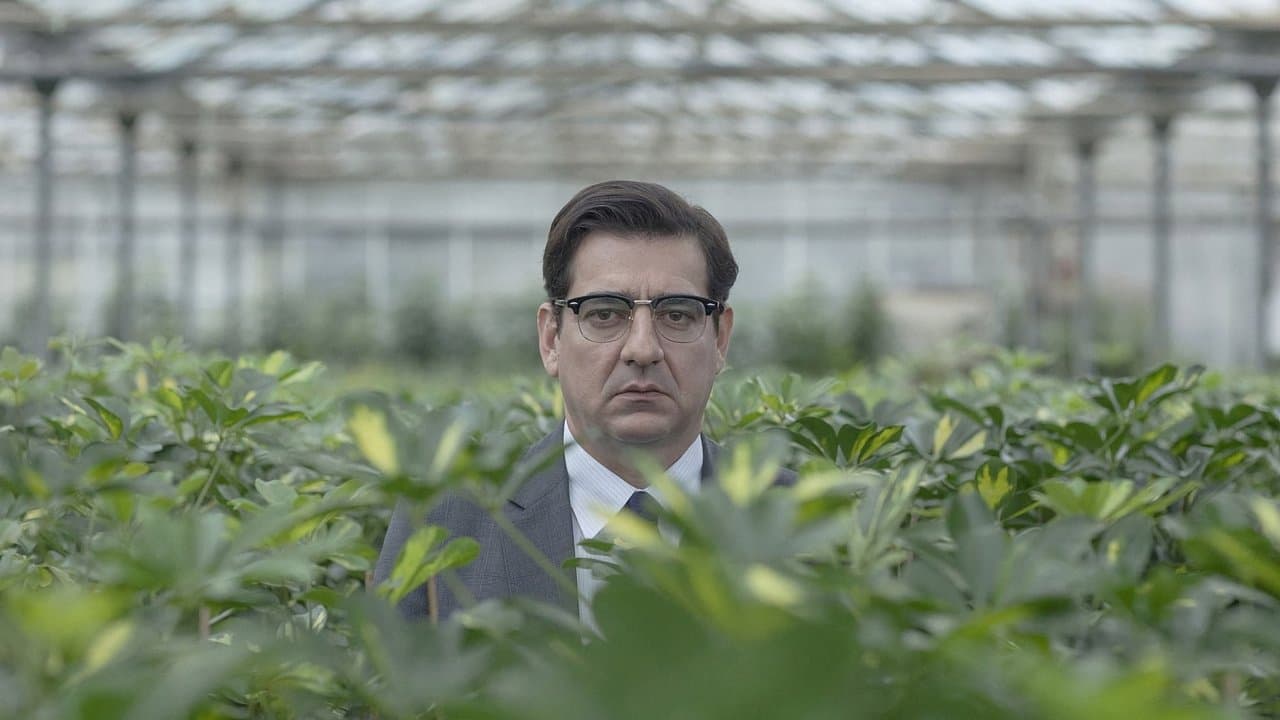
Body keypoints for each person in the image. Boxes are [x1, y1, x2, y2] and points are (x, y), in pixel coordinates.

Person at [373, 180, 794, 622]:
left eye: (676, 314)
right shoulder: (448, 517)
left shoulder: (803, 520)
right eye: (605, 314)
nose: (642, 349)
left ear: (720, 338)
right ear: (551, 338)